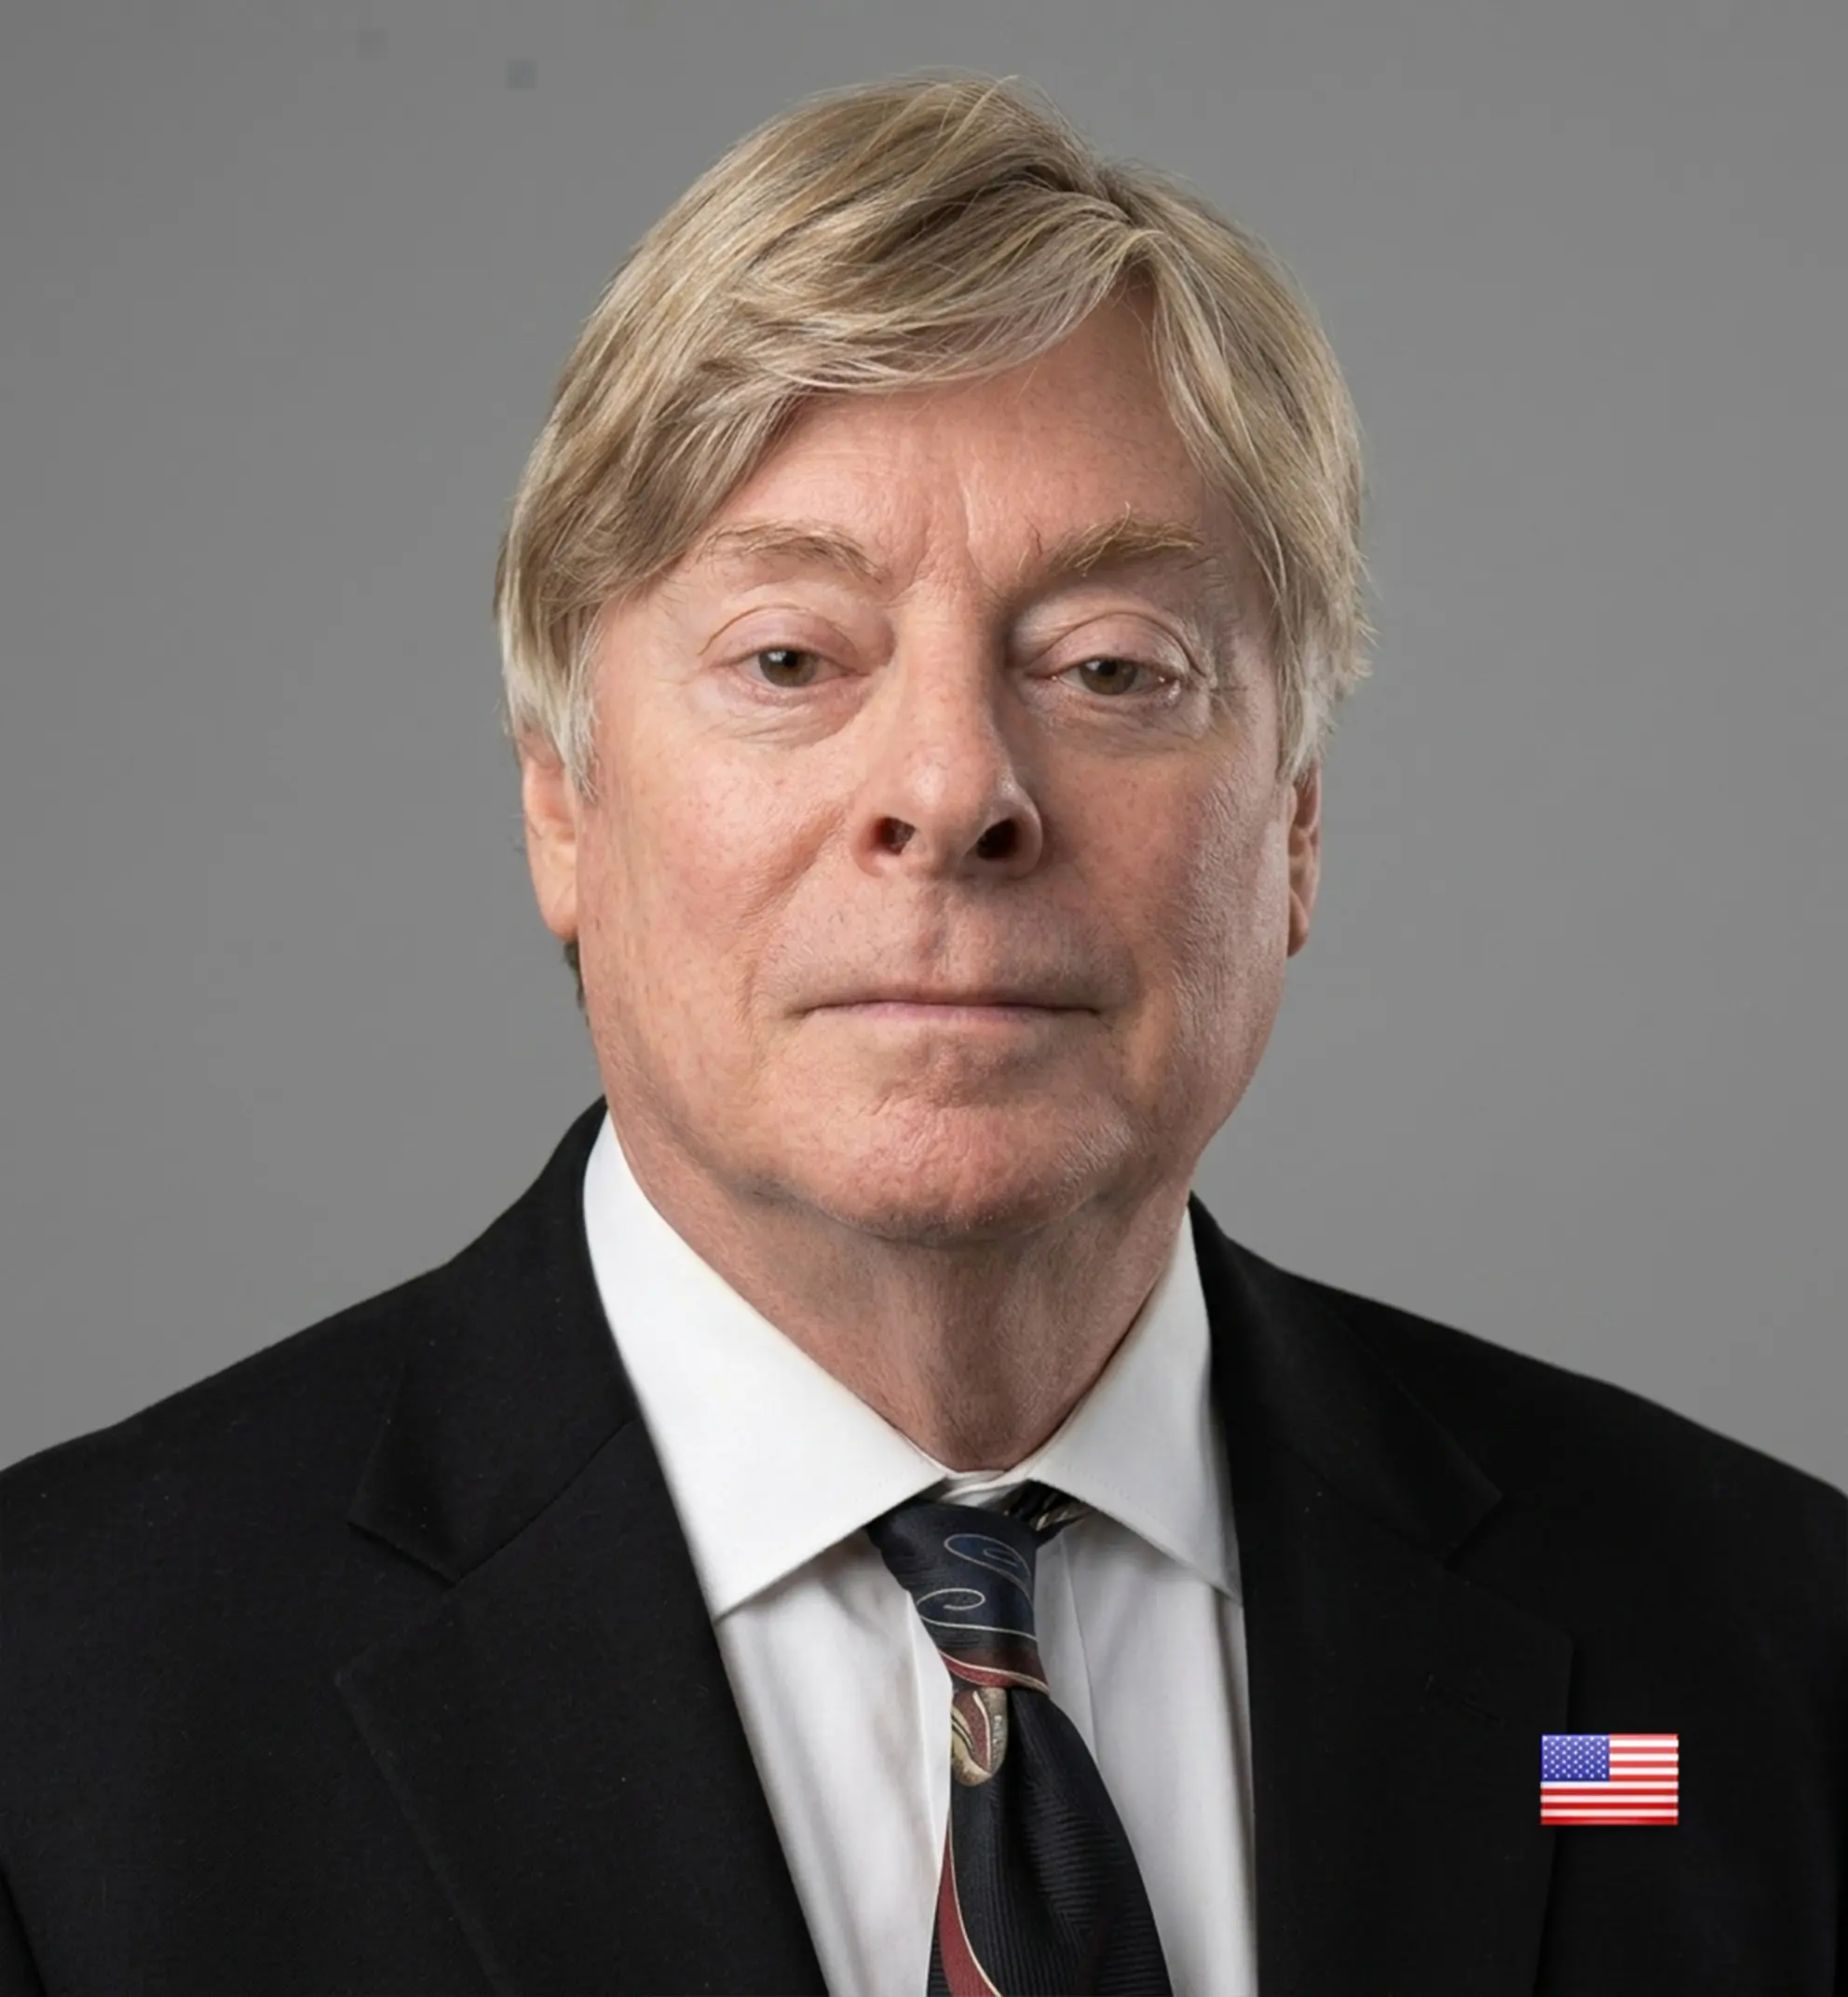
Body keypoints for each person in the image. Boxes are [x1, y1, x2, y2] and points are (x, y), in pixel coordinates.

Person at [0, 69, 1841, 1997]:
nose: (955, 791)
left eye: (1113, 666)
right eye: (789, 658)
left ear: (1296, 821)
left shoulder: (1764, 1652)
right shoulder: (59, 1717)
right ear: (561, 800)